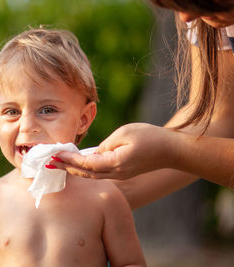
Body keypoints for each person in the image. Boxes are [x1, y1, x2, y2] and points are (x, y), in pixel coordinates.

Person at [0, 28, 146, 267]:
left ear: (83, 119)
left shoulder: (104, 198)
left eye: (47, 110)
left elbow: (131, 263)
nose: (27, 126)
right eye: (12, 112)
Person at [49, 0, 234, 209]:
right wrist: (95, 197)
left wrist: (170, 149)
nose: (185, 18)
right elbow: (219, 116)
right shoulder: (205, 18)